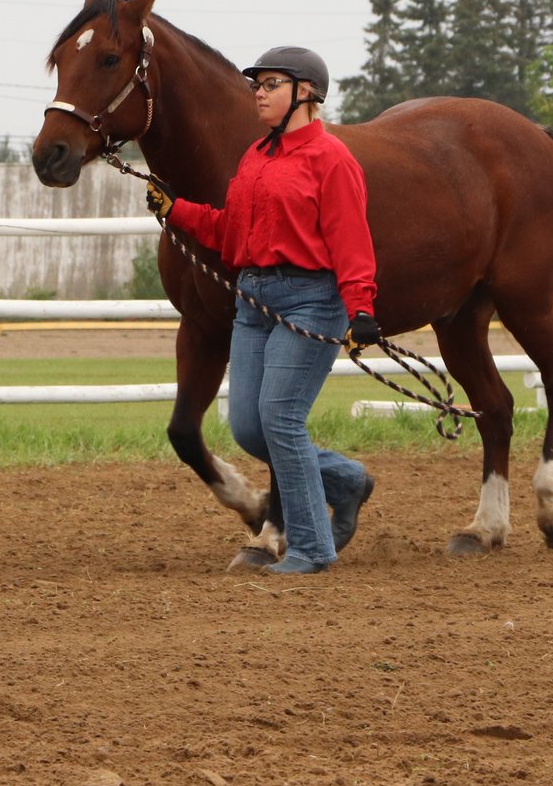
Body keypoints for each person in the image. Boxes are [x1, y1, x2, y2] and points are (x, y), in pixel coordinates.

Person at [145, 46, 381, 574]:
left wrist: (360, 308)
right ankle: (344, 479)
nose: (259, 93)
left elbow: (350, 240)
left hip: (309, 300)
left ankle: (311, 549)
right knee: (250, 428)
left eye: (272, 84)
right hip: (252, 300)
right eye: (257, 84)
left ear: (306, 92)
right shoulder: (256, 156)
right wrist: (176, 210)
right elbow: (230, 231)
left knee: (281, 419)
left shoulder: (332, 159)